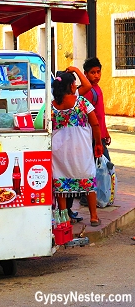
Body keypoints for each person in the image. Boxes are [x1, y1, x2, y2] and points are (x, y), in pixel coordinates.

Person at [51, 70, 103, 227]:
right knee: (87, 178)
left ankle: (64, 218)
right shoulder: (81, 102)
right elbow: (95, 123)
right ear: (72, 85)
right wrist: (98, 143)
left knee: (60, 181)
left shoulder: (51, 106)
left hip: (59, 152)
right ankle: (94, 216)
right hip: (80, 148)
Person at [78, 57, 111, 207]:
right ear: (85, 74)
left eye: (98, 72)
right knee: (96, 168)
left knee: (102, 167)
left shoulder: (98, 89)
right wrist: (98, 138)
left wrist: (106, 132)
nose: (96, 75)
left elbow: (100, 115)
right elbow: (88, 117)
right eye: (92, 73)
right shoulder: (88, 91)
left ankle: (98, 196)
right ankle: (87, 197)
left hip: (100, 136)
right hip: (92, 138)